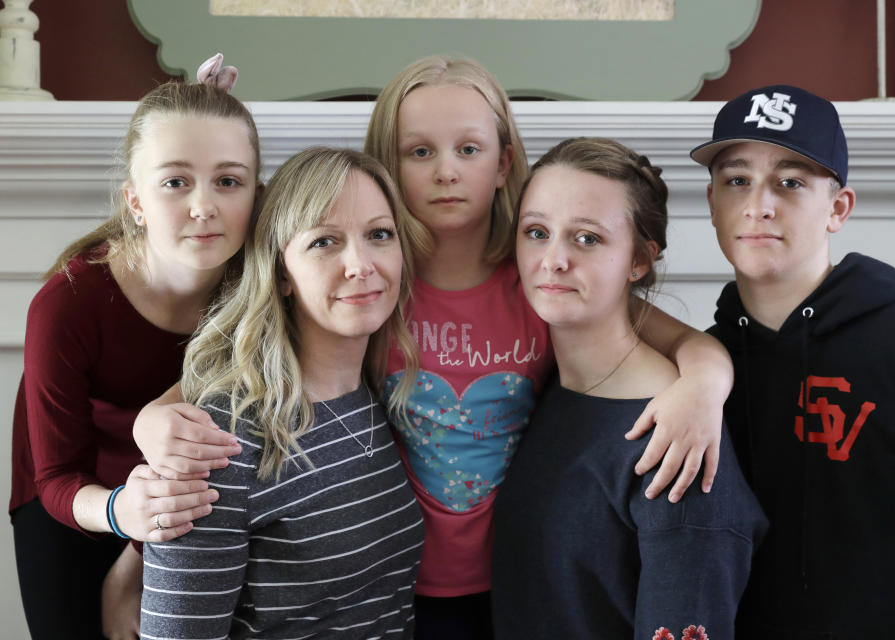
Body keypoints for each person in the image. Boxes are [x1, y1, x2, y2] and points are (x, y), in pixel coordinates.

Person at [135, 54, 734, 639]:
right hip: (401, 579)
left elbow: (671, 337)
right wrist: (153, 422)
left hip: (513, 574)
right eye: (420, 152)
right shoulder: (375, 286)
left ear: (504, 163)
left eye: (468, 149)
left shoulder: (537, 278)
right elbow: (239, 377)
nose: (446, 171)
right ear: (388, 169)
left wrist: (706, 383)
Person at [690, 85, 895, 638]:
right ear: (712, 202)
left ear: (838, 208)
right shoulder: (697, 372)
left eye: (790, 182)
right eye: (737, 179)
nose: (758, 203)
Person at [9, 76, 261, 640]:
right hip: (76, 496)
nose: (204, 206)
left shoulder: (262, 291)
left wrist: (134, 563)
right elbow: (55, 479)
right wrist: (124, 515)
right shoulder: (66, 306)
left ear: (257, 195)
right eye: (175, 181)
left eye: (228, 181)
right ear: (135, 202)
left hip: (188, 490)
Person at [139, 147, 425, 639]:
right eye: (324, 242)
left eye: (379, 235)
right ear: (282, 273)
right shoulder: (220, 441)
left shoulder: (379, 397)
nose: (360, 264)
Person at [491, 137, 766, 640]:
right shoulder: (536, 383)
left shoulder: (677, 440)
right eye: (536, 232)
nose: (553, 260)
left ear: (639, 260)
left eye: (588, 239)